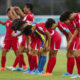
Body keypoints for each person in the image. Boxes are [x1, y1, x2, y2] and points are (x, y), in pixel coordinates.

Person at [60, 10, 80, 78]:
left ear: (69, 17)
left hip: (78, 39)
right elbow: (77, 30)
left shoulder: (78, 17)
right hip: (77, 38)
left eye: (65, 21)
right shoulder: (75, 19)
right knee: (75, 54)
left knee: (76, 54)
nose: (66, 23)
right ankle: (79, 73)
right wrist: (70, 40)